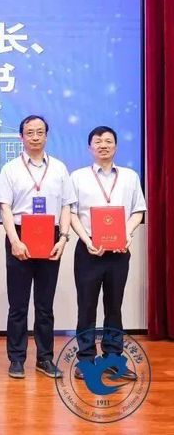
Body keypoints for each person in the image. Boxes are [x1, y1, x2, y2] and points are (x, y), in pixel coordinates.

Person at [0, 115, 75, 379]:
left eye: (40, 132)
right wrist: (14, 240)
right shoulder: (10, 169)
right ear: (22, 137)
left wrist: (63, 238)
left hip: (51, 235)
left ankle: (45, 358)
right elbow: (4, 207)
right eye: (30, 132)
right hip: (19, 235)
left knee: (44, 304)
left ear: (47, 136)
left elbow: (66, 206)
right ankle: (16, 359)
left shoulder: (60, 168)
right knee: (18, 305)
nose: (35, 137)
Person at [69, 125, 146, 380]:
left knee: (114, 306)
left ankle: (113, 359)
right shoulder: (78, 177)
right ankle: (85, 360)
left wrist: (126, 234)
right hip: (89, 251)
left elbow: (138, 211)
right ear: (89, 147)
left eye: (108, 141)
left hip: (119, 252)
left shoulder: (130, 176)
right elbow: (72, 213)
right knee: (86, 307)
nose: (103, 145)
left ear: (116, 146)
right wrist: (86, 239)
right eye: (98, 141)